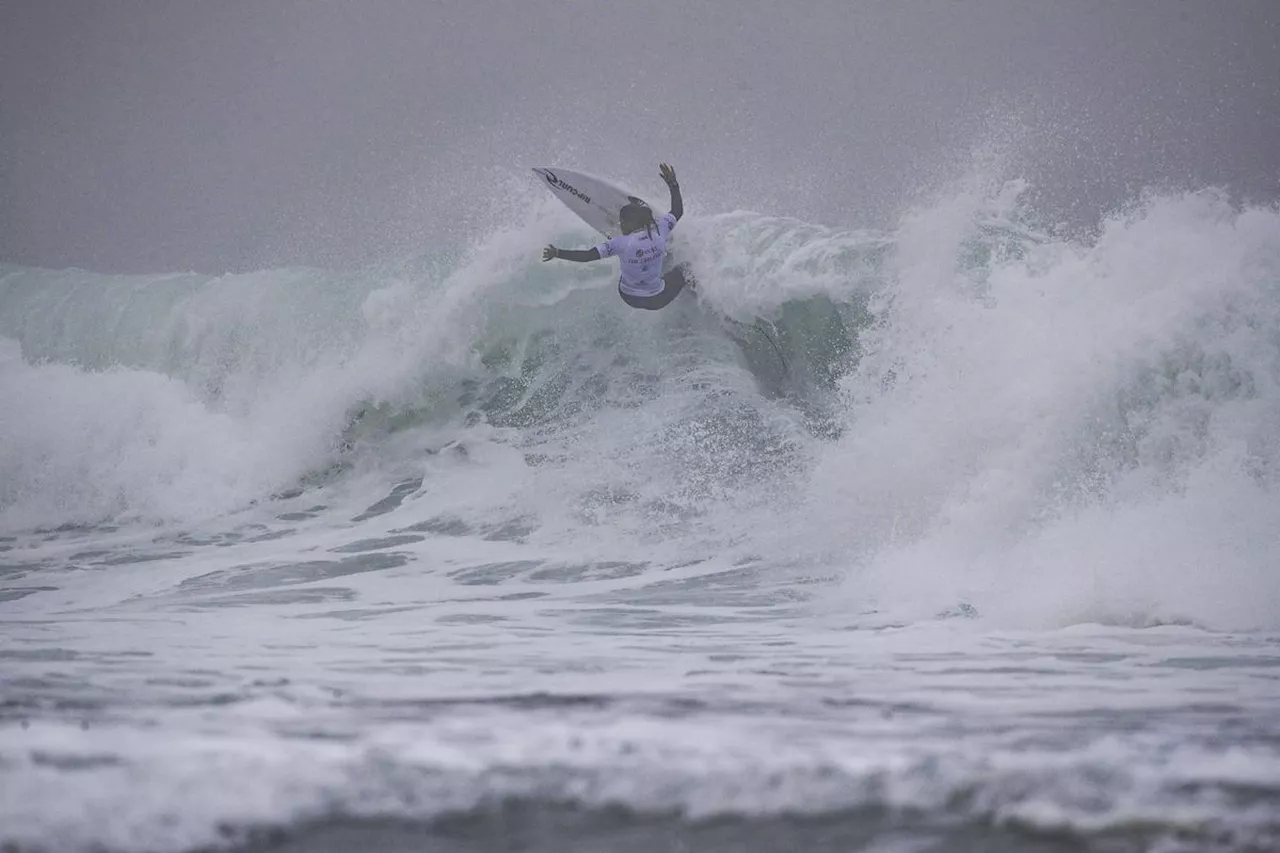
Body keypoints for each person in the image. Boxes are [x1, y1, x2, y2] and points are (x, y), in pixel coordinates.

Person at [542, 163, 691, 310]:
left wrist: (557, 253)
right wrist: (672, 183)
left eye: (622, 223)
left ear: (629, 224)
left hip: (629, 296)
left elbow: (587, 256)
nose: (620, 225)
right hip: (658, 299)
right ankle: (693, 295)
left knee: (628, 259)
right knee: (686, 268)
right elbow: (677, 210)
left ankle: (648, 262)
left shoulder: (620, 243)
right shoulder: (660, 231)